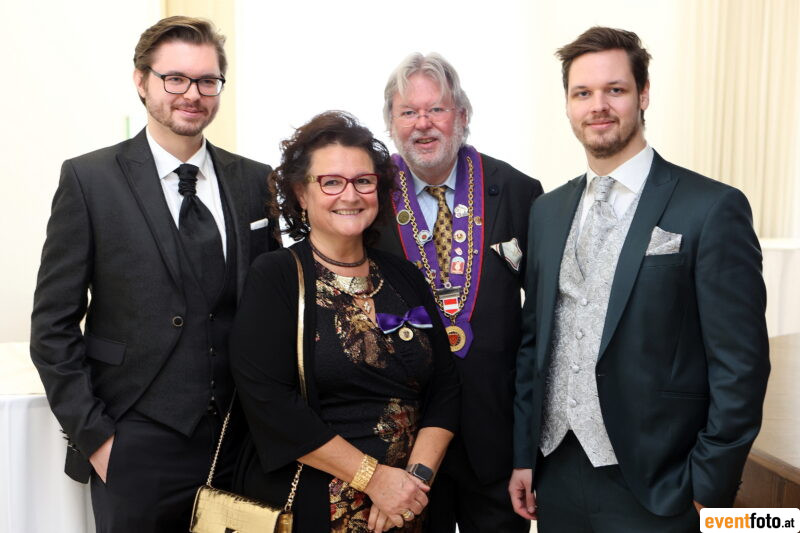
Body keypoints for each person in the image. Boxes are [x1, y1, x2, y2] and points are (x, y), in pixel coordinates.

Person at [510, 26, 770, 532]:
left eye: (615, 89)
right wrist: (524, 455)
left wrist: (709, 483)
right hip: (557, 474)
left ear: (643, 94)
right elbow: (534, 345)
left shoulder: (712, 207)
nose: (598, 106)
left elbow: (741, 364)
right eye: (582, 93)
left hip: (662, 484)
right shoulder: (546, 211)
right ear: (568, 105)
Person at [29, 16, 280, 532]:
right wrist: (97, 439)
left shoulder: (256, 181)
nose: (192, 94)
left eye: (207, 81)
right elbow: (52, 326)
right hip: (134, 443)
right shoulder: (89, 180)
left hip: (241, 442)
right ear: (142, 81)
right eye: (175, 78)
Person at [229, 110, 460, 533]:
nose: (350, 195)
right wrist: (376, 480)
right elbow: (269, 402)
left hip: (414, 506)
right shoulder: (277, 276)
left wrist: (413, 484)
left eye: (363, 181)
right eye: (331, 182)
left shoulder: (404, 276)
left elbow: (446, 387)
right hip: (318, 507)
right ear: (301, 193)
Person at [374, 52, 543, 532]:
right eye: (408, 112)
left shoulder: (518, 191)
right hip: (404, 443)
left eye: (436, 109)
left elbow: (541, 323)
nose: (422, 124)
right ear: (391, 123)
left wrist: (530, 447)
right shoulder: (369, 197)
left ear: (462, 116)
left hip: (496, 437)